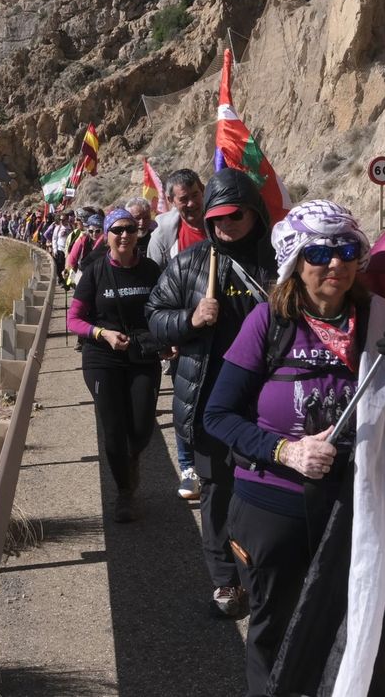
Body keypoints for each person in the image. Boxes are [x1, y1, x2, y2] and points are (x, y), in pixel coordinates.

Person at [202, 200, 385, 697]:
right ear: (295, 262)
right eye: (320, 253)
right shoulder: (268, 322)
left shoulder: (384, 323)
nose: (336, 263)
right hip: (273, 506)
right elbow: (217, 416)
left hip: (355, 507)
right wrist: (286, 452)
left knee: (359, 632)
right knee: (278, 636)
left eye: (348, 249)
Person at [146, 168, 276, 618]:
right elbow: (154, 316)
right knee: (218, 493)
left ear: (255, 214)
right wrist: (190, 320)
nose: (224, 226)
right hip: (209, 403)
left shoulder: (281, 262)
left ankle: (264, 572)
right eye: (216, 219)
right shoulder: (190, 263)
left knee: (267, 491)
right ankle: (225, 580)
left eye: (234, 216)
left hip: (269, 404)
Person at [66, 209, 166, 522]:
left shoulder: (151, 270)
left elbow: (165, 309)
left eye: (130, 230)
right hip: (102, 357)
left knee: (140, 428)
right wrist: (102, 333)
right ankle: (124, 493)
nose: (124, 235)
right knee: (113, 428)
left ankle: (132, 456)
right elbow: (73, 320)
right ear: (106, 235)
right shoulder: (95, 272)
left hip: (141, 355)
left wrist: (169, 339)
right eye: (117, 230)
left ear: (138, 233)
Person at [147, 168, 208, 501]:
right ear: (170, 201)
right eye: (182, 199)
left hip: (224, 330)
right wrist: (164, 336)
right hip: (185, 332)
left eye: (195, 195)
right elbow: (154, 293)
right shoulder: (165, 235)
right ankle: (188, 467)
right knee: (187, 400)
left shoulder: (222, 219)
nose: (191, 204)